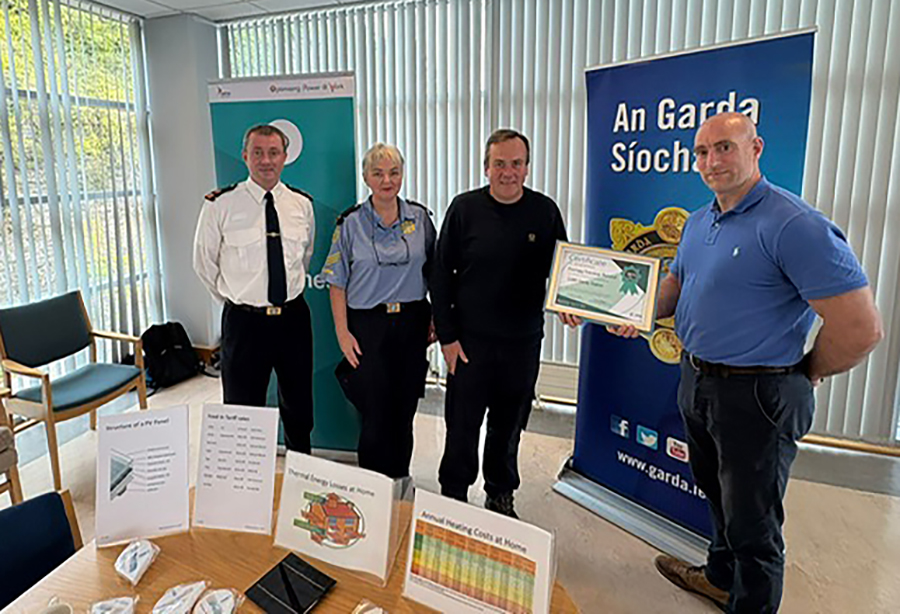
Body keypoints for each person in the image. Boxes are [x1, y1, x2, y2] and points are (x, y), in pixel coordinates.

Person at [610, 112, 882, 613]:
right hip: (698, 381)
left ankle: (750, 604)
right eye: (702, 152)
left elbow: (862, 328)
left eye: (725, 148)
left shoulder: (795, 225)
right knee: (718, 498)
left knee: (755, 524)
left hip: (759, 395)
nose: (712, 161)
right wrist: (629, 309)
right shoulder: (699, 220)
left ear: (755, 148)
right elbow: (675, 287)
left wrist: (808, 372)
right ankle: (718, 577)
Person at [431, 128, 580, 518]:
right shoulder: (464, 209)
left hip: (522, 342)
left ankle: (500, 492)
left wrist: (573, 302)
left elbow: (563, 270)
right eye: (500, 164)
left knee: (509, 425)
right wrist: (447, 338)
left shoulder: (545, 212)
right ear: (486, 167)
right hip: (468, 344)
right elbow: (441, 274)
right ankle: (454, 492)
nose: (508, 172)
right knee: (461, 424)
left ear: (527, 168)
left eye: (516, 163)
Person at [193, 124, 316, 453]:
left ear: (285, 157)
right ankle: (245, 486)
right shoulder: (220, 205)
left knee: (299, 406)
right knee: (242, 410)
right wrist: (239, 301)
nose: (266, 160)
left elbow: (303, 258)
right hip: (245, 323)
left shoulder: (301, 205)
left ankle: (299, 471)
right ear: (245, 156)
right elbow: (204, 264)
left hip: (292, 319)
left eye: (273, 152)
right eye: (258, 152)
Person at [322, 143, 436, 479]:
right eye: (378, 173)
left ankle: (401, 481)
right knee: (374, 410)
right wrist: (343, 334)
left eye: (394, 172)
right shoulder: (350, 224)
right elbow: (336, 282)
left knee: (404, 410)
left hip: (412, 322)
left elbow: (436, 272)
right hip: (367, 325)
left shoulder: (421, 218)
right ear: (366, 177)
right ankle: (372, 486)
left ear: (402, 175)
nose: (387, 180)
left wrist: (437, 319)